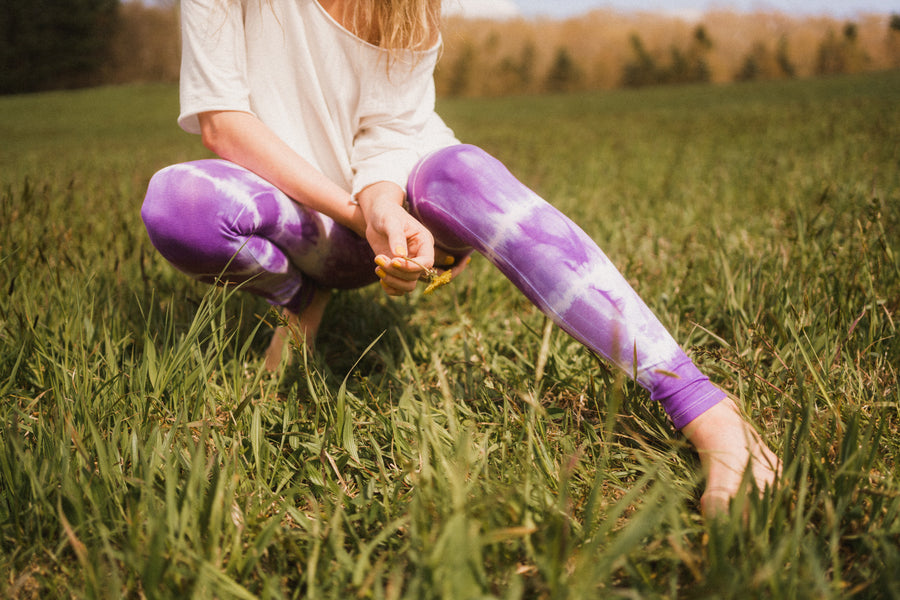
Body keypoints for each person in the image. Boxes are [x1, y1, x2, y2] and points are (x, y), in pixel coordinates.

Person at [141, 0, 778, 515]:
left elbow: (390, 131)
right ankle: (298, 302)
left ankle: (706, 410)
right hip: (309, 218)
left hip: (398, 203)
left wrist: (385, 210)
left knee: (466, 174)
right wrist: (355, 214)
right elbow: (222, 124)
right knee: (177, 202)